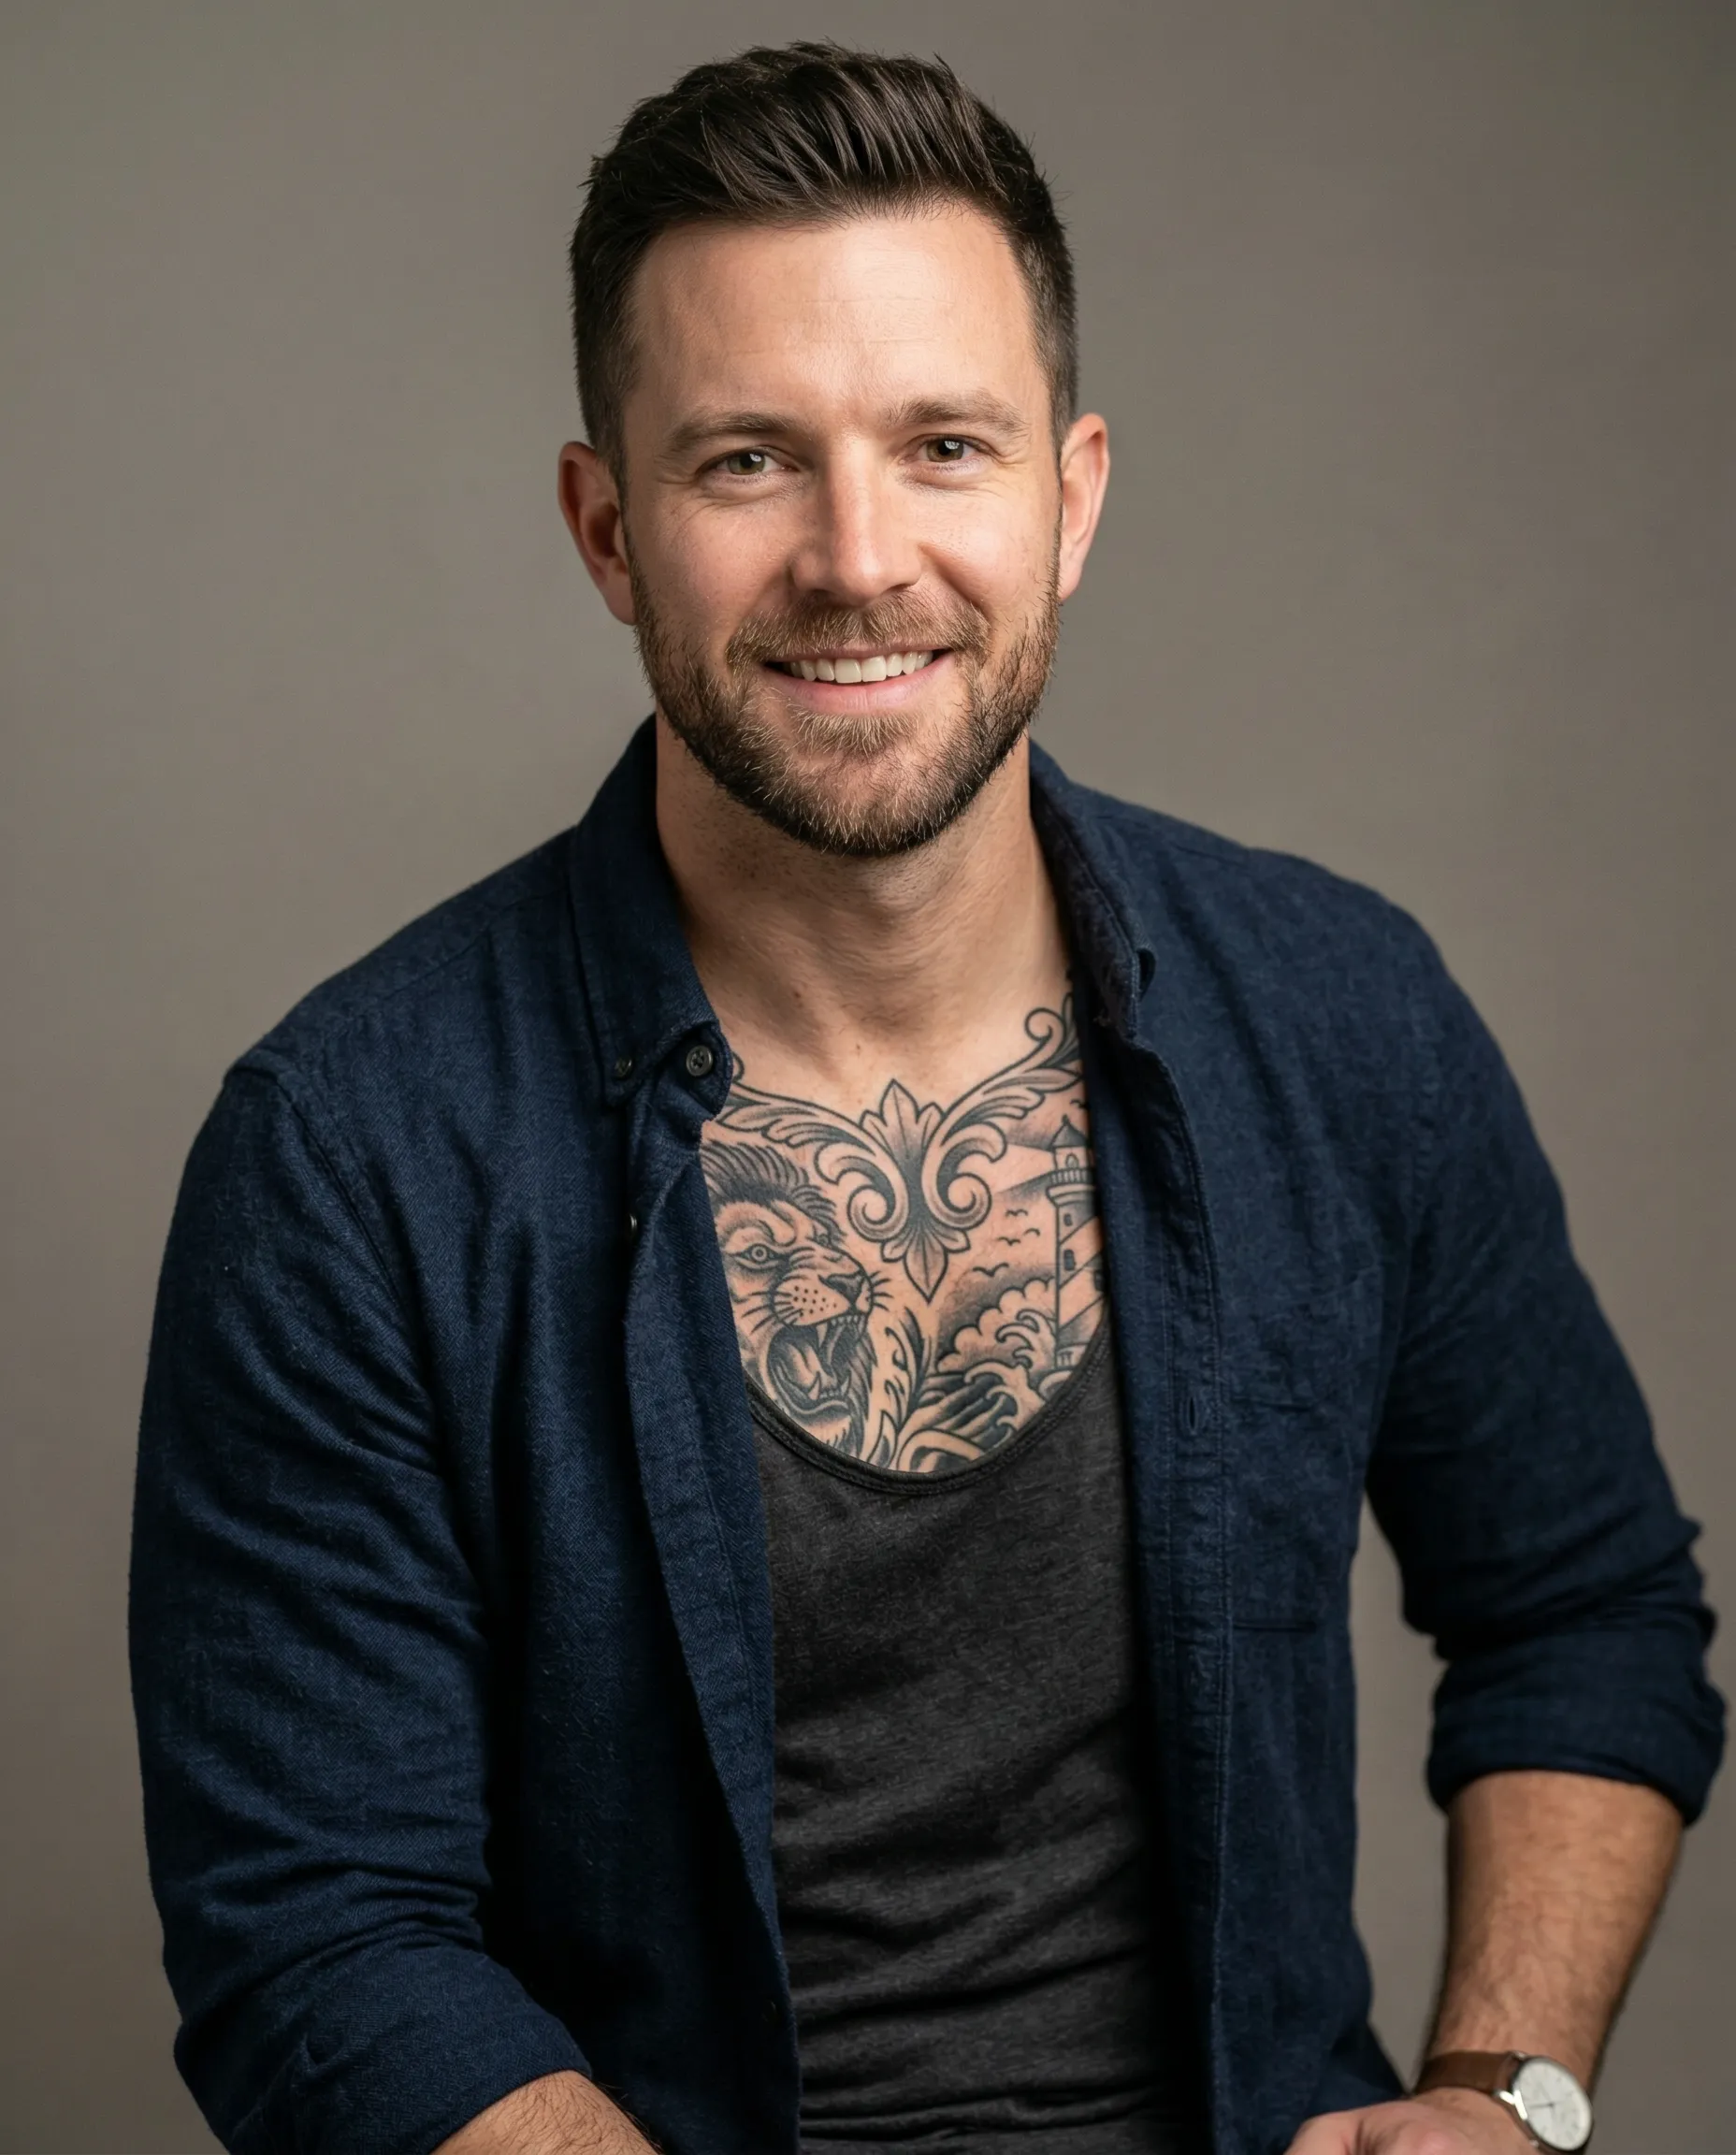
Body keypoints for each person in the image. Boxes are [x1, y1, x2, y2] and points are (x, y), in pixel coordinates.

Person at [130, 41, 1723, 2155]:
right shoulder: (347, 1156)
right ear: (607, 530)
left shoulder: (1344, 1018)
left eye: (944, 445)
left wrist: (1501, 2096)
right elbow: (317, 1932)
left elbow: (1582, 1610)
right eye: (746, 462)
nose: (858, 556)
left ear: (1071, 499)